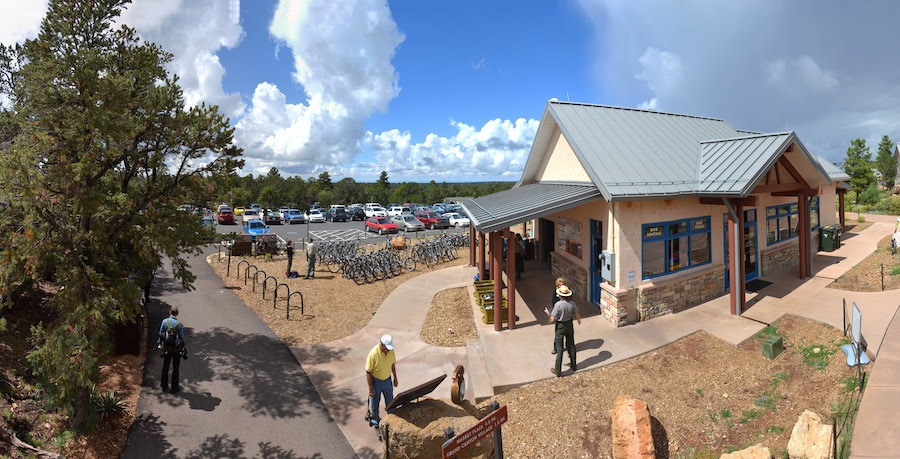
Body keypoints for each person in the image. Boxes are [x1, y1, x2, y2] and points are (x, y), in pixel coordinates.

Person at [544, 285, 581, 377]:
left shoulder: (558, 305)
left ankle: (558, 370)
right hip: (569, 325)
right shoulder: (572, 303)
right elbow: (577, 314)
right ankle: (573, 365)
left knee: (559, 349)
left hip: (560, 326)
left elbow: (552, 318)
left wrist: (548, 315)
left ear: (560, 295)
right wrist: (578, 321)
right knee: (571, 345)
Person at [365, 334, 398, 427]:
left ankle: (392, 419)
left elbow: (392, 364)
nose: (388, 350)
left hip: (387, 380)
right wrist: (371, 388)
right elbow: (368, 372)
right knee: (375, 402)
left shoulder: (391, 351)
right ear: (382, 345)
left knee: (390, 401)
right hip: (376, 382)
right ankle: (375, 420)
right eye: (387, 348)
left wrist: (395, 378)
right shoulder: (373, 354)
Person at [158, 306, 186, 393]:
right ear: (177, 314)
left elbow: (160, 334)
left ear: (170, 312)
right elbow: (182, 337)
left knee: (165, 366)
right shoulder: (179, 324)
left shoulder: (164, 322)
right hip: (176, 349)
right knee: (175, 368)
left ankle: (164, 385)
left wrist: (160, 345)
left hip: (167, 348)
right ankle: (174, 388)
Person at [550, 277, 567, 355]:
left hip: (566, 316)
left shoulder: (567, 292)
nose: (561, 286)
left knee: (568, 334)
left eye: (563, 284)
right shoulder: (555, 292)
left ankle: (569, 348)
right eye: (560, 285)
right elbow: (554, 303)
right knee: (558, 333)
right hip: (559, 316)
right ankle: (556, 348)